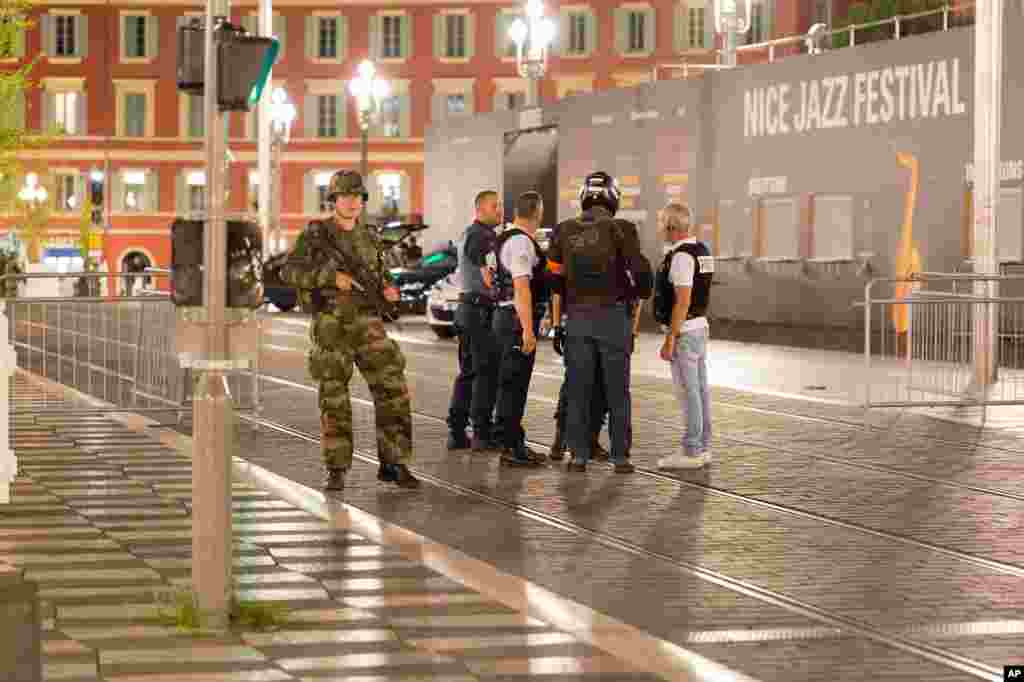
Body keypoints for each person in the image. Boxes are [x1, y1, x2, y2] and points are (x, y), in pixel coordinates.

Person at [281, 170, 420, 492]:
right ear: (334, 199)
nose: (352, 202)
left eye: (358, 196)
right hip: (332, 325)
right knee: (335, 398)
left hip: (368, 324)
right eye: (346, 196)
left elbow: (381, 273)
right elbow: (289, 271)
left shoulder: (370, 236)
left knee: (393, 388)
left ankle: (395, 463)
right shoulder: (316, 235)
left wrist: (388, 289)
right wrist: (330, 278)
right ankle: (337, 469)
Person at [546, 171, 652, 473]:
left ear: (584, 197)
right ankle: (621, 457)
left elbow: (553, 279)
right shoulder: (623, 229)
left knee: (579, 389)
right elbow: (643, 277)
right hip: (613, 320)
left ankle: (578, 456)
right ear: (613, 198)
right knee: (617, 391)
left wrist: (560, 320)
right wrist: (635, 293)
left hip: (577, 320)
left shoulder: (563, 230)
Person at [654, 203, 714, 469]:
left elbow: (682, 301)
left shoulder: (680, 257)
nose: (659, 228)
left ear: (671, 227)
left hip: (685, 333)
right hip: (700, 328)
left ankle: (691, 450)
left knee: (689, 392)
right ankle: (702, 446)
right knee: (700, 391)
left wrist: (670, 339)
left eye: (661, 223)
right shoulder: (703, 251)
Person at [492, 191, 549, 466]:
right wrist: (528, 329)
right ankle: (512, 447)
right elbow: (521, 287)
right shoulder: (521, 243)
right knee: (515, 385)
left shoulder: (503, 237)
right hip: (516, 321)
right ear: (538, 212)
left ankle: (510, 441)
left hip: (503, 317)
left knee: (507, 384)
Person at [447, 190, 503, 452]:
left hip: (467, 310)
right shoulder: (483, 236)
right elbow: (488, 273)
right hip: (480, 312)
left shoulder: (468, 233)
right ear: (480, 209)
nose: (500, 211)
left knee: (468, 372)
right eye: (495, 206)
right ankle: (481, 432)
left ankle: (457, 432)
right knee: (485, 373)